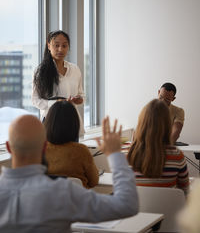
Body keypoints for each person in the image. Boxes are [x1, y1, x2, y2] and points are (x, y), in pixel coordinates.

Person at [0, 114, 138, 232]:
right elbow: (127, 205)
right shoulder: (61, 192)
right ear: (44, 147)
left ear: (8, 147)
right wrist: (115, 154)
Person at [127, 99, 189, 195]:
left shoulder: (127, 155)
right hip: (168, 209)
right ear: (168, 124)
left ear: (141, 122)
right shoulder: (177, 156)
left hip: (136, 209)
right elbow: (185, 191)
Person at [32, 30, 85, 136]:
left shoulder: (75, 69)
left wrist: (79, 99)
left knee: (73, 152)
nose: (60, 49)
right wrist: (57, 103)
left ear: (68, 47)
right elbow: (35, 100)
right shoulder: (41, 71)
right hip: (52, 123)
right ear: (48, 46)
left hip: (72, 122)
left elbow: (82, 95)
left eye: (64, 46)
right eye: (56, 45)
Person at [44, 100, 99, 188]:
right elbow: (94, 181)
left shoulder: (40, 151)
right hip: (79, 200)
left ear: (48, 123)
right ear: (74, 124)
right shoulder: (81, 151)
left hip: (49, 201)